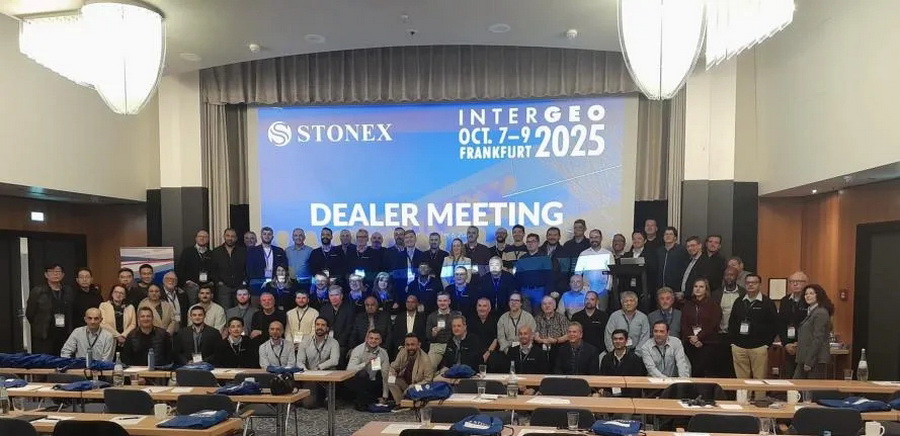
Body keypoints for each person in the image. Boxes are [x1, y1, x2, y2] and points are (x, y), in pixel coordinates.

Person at [728, 274, 778, 387]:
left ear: (760, 285)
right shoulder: (739, 301)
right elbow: (732, 322)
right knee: (741, 382)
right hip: (739, 347)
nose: (750, 285)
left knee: (760, 381)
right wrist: (733, 343)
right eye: (748, 283)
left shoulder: (767, 302)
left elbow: (774, 325)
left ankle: (759, 398)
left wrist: (767, 344)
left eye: (754, 282)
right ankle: (744, 398)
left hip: (759, 347)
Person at [26, 264, 74, 355]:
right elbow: (30, 314)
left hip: (64, 334)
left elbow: (71, 312)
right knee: (45, 361)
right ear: (46, 275)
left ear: (63, 275)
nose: (55, 274)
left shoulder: (68, 291)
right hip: (45, 335)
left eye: (58, 271)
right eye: (51, 271)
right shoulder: (38, 291)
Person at [680, 279, 722, 377]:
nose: (698, 289)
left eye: (701, 287)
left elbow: (713, 324)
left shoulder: (713, 305)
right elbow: (684, 323)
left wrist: (699, 337)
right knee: (691, 371)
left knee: (704, 371)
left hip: (707, 343)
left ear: (706, 289)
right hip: (690, 343)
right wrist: (692, 338)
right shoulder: (688, 305)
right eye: (696, 286)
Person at [297, 317, 341, 408]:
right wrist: (306, 372)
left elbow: (334, 360)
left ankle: (328, 397)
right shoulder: (305, 341)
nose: (320, 327)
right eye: (317, 325)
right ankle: (320, 397)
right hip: (310, 376)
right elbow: (299, 361)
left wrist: (319, 367)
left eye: (323, 325)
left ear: (327, 328)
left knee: (333, 369)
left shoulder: (334, 342)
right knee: (309, 404)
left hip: (326, 375)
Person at [794, 284, 834, 379]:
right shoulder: (812, 311)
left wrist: (809, 361)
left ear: (818, 295)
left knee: (809, 386)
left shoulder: (820, 312)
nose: (808, 296)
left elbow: (818, 339)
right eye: (806, 294)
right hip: (805, 358)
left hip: (815, 359)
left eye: (811, 293)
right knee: (796, 385)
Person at [346, 330, 390, 410]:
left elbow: (385, 374)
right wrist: (365, 363)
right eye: (371, 338)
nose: (373, 341)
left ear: (380, 341)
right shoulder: (358, 350)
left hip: (372, 380)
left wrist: (385, 396)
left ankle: (372, 399)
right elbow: (349, 369)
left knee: (383, 373)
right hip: (356, 380)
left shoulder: (383, 353)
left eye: (376, 339)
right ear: (366, 339)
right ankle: (361, 401)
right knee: (363, 374)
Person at [388, 334, 434, 406]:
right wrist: (392, 373)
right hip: (405, 383)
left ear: (419, 345)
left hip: (418, 386)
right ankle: (400, 404)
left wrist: (414, 386)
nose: (410, 347)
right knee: (391, 380)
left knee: (417, 390)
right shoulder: (402, 352)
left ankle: (411, 402)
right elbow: (393, 367)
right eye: (407, 345)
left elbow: (428, 380)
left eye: (412, 344)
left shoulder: (426, 360)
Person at [779, 271, 810, 378]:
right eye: (792, 282)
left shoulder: (809, 301)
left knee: (803, 378)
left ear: (806, 283)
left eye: (799, 281)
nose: (795, 284)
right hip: (789, 346)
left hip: (805, 346)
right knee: (790, 376)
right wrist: (786, 344)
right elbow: (781, 324)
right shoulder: (785, 301)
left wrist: (800, 343)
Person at [574, 229, 614, 310]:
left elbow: (611, 273)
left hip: (602, 291)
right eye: (591, 237)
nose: (594, 239)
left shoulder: (608, 254)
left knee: (601, 313)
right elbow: (577, 273)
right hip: (586, 291)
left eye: (596, 237)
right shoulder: (583, 254)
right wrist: (581, 288)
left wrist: (607, 288)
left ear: (601, 238)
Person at [599, 329, 646, 397]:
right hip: (610, 394)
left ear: (626, 341)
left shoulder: (635, 359)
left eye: (621, 339)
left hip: (629, 394)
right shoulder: (606, 358)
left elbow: (638, 381)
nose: (617, 341)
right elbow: (602, 377)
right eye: (615, 339)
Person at [210, 228, 248, 308]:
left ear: (236, 238)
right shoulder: (216, 252)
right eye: (228, 236)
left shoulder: (243, 251)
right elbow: (212, 269)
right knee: (225, 310)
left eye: (233, 236)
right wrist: (218, 282)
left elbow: (247, 267)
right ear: (224, 236)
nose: (230, 238)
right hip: (223, 287)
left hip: (239, 286)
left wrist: (244, 281)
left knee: (240, 309)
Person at [516, 233, 553, 314]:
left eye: (533, 241)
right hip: (525, 291)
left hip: (539, 291)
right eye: (528, 242)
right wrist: (518, 293)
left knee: (539, 315)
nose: (530, 244)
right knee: (526, 316)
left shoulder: (545, 258)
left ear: (538, 243)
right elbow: (518, 278)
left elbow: (549, 278)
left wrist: (547, 294)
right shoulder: (522, 259)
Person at [246, 226, 288, 293]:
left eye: (269, 234)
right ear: (261, 236)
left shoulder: (279, 251)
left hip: (275, 283)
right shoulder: (252, 251)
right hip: (258, 283)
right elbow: (249, 268)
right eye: (264, 234)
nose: (267, 236)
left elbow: (284, 267)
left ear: (272, 237)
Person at [426, 292, 461, 371]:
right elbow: (428, 337)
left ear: (449, 301)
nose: (442, 303)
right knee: (429, 367)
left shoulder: (456, 315)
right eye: (440, 301)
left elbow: (462, 332)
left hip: (453, 345)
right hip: (437, 345)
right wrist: (433, 334)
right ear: (437, 302)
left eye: (445, 300)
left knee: (455, 368)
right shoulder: (431, 316)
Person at [318, 285, 355, 361]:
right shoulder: (324, 309)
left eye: (336, 295)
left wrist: (334, 344)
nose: (334, 298)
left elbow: (349, 329)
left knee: (339, 354)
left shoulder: (349, 309)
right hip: (325, 341)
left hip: (342, 344)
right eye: (331, 295)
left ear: (341, 296)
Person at [175, 230, 212, 304]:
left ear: (208, 239)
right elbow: (180, 268)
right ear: (196, 238)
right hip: (191, 286)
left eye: (205, 237)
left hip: (206, 286)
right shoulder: (187, 251)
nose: (202, 238)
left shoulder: (211, 253)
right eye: (200, 236)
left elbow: (214, 269)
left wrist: (211, 281)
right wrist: (186, 281)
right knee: (192, 307)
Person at [468, 298, 503, 372]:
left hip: (491, 351)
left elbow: (496, 339)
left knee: (494, 359)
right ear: (476, 308)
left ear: (489, 308)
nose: (482, 308)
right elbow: (469, 338)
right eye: (479, 306)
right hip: (475, 350)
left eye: (484, 306)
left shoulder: (496, 320)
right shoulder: (470, 320)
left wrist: (487, 353)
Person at [388, 230, 426, 297]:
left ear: (415, 239)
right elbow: (396, 276)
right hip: (401, 290)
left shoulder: (422, 255)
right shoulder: (398, 256)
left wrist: (412, 285)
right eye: (406, 238)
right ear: (404, 240)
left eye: (411, 237)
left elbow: (423, 274)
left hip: (418, 289)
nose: (409, 239)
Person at [534, 296, 569, 366]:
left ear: (554, 306)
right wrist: (542, 340)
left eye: (550, 303)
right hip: (541, 347)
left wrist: (556, 340)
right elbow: (535, 335)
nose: (547, 306)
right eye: (544, 304)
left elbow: (567, 335)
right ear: (541, 306)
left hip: (558, 347)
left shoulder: (561, 318)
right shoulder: (537, 318)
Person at [657, 227, 688, 294]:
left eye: (670, 234)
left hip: (676, 289)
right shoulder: (659, 251)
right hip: (660, 288)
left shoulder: (682, 251)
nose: (668, 236)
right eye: (666, 234)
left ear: (675, 237)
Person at [679, 236, 710, 301]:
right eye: (688, 246)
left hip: (697, 299)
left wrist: (685, 294)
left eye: (693, 245)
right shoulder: (687, 261)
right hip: (684, 299)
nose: (690, 248)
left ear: (700, 246)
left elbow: (703, 283)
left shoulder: (706, 262)